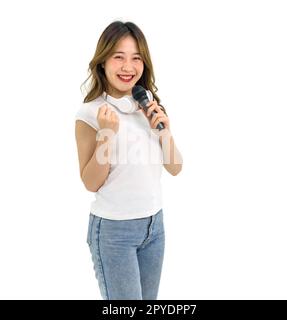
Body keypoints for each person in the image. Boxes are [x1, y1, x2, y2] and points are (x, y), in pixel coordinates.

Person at [74, 21, 183, 300]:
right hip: (114, 232)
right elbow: (90, 182)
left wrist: (165, 132)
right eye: (118, 57)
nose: (128, 67)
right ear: (103, 61)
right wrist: (106, 136)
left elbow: (175, 167)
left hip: (154, 227)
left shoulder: (147, 102)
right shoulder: (90, 114)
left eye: (136, 58)